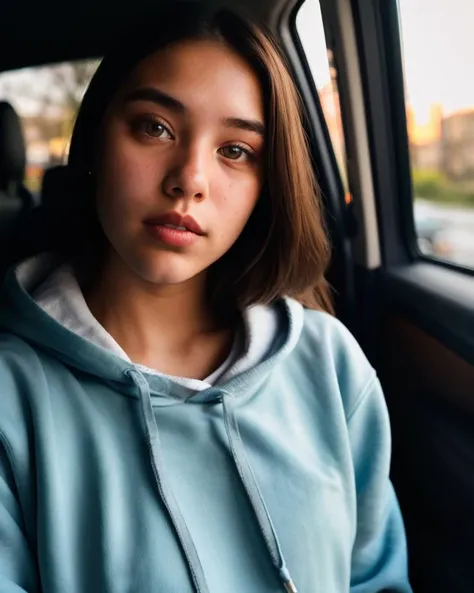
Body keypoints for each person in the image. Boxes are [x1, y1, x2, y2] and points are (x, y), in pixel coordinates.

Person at [0, 4, 411, 592]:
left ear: (266, 187)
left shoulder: (330, 364)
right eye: (155, 127)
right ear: (93, 144)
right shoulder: (10, 398)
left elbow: (376, 579)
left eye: (236, 151)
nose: (190, 178)